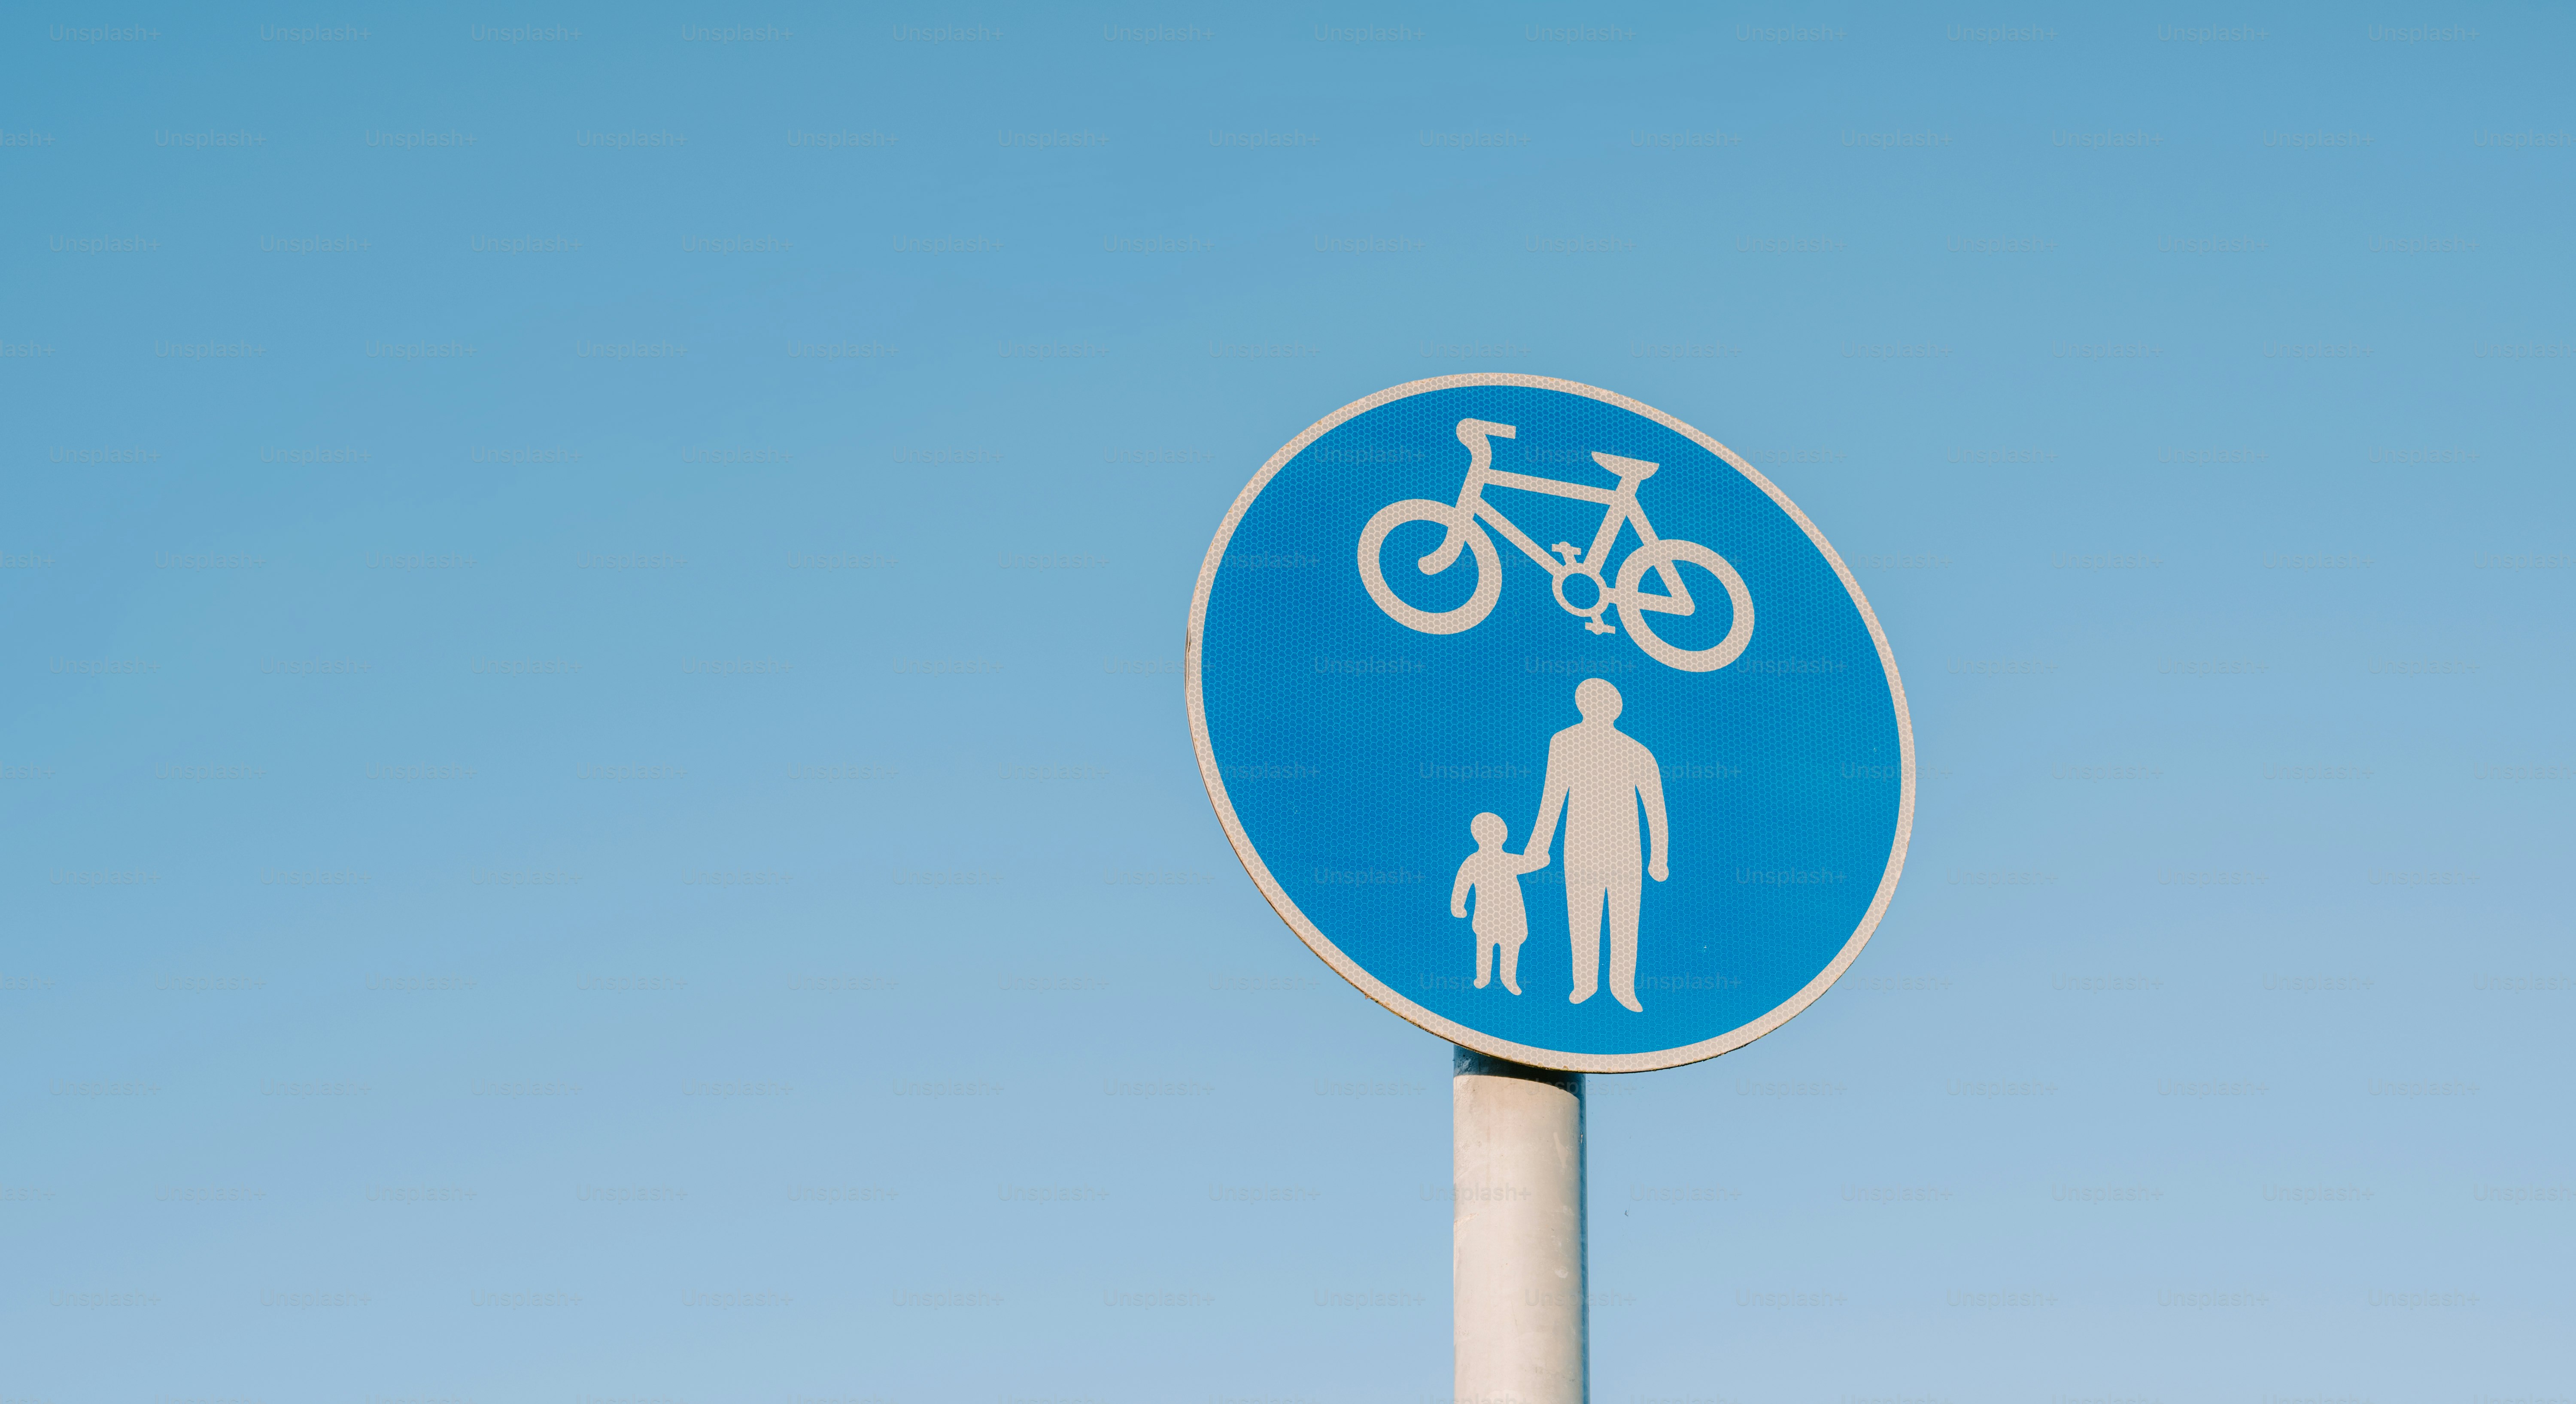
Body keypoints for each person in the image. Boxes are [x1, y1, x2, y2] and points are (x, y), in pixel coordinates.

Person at [1526, 679, 1667, 1012]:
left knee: (1625, 920)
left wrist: (1659, 857)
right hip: (1580, 846)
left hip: (1626, 849)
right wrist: (1538, 847)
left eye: (1606, 701)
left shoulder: (1637, 750)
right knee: (1583, 917)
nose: (1600, 707)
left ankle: (1623, 988)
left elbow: (1655, 808)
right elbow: (1552, 798)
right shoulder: (1564, 743)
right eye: (1593, 700)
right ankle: (1584, 984)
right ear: (1581, 704)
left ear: (1617, 707)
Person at [1450, 812, 1546, 995]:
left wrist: (1541, 859)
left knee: (1511, 948)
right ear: (1478, 837)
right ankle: (1483, 978)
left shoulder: (1509, 860)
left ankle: (1509, 979)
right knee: (1485, 947)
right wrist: (1458, 906)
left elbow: (1529, 863)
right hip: (1486, 917)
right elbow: (1462, 884)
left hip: (1512, 918)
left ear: (1503, 837)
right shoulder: (1474, 862)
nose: (1492, 838)